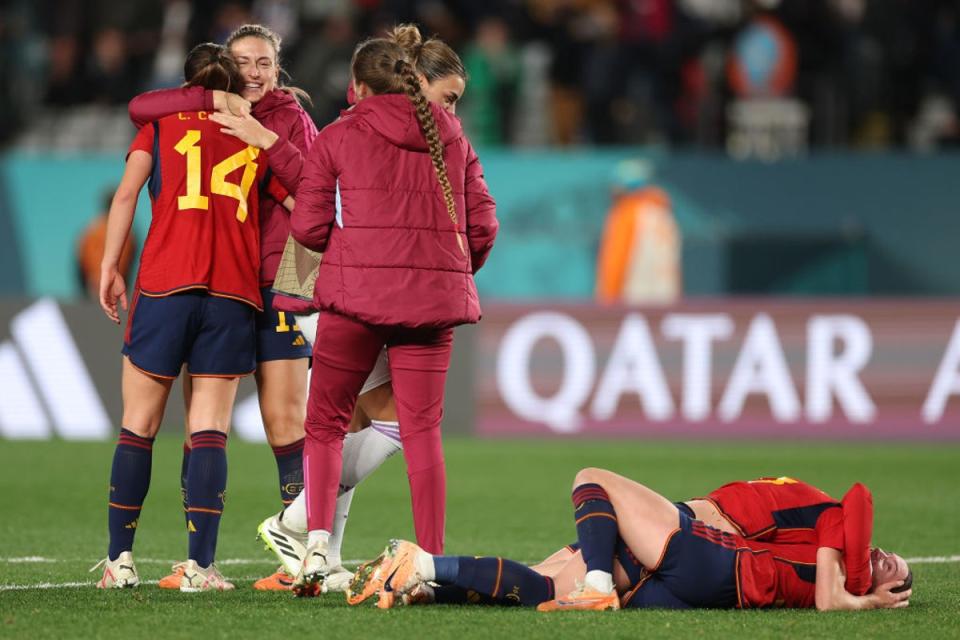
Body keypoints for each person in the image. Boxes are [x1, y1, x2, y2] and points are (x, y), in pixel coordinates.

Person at [254, 23, 473, 590]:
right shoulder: (453, 137)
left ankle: (316, 549)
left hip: (353, 304)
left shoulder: (338, 134)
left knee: (325, 424)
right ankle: (430, 566)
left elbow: (308, 225)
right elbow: (485, 224)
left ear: (356, 86)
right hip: (428, 308)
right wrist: (440, 273)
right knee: (421, 432)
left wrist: (315, 280)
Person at [92, 43, 286, 592]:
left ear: (188, 83)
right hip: (233, 293)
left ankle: (120, 560)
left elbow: (128, 194)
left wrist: (111, 266)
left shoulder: (162, 121)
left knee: (140, 426)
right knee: (209, 430)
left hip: (166, 283)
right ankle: (200, 566)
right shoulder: (254, 134)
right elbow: (300, 201)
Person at [347, 469, 912, 612]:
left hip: (704, 547)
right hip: (699, 581)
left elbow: (859, 497)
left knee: (590, 479)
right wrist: (857, 595)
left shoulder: (842, 539)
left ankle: (596, 582)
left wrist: (863, 594)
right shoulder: (828, 561)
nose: (887, 557)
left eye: (896, 570)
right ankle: (426, 578)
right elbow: (828, 595)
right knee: (546, 580)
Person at [595, 159, 681, 305]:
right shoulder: (662, 213)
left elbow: (617, 260)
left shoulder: (628, 214)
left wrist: (607, 301)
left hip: (632, 302)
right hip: (665, 301)